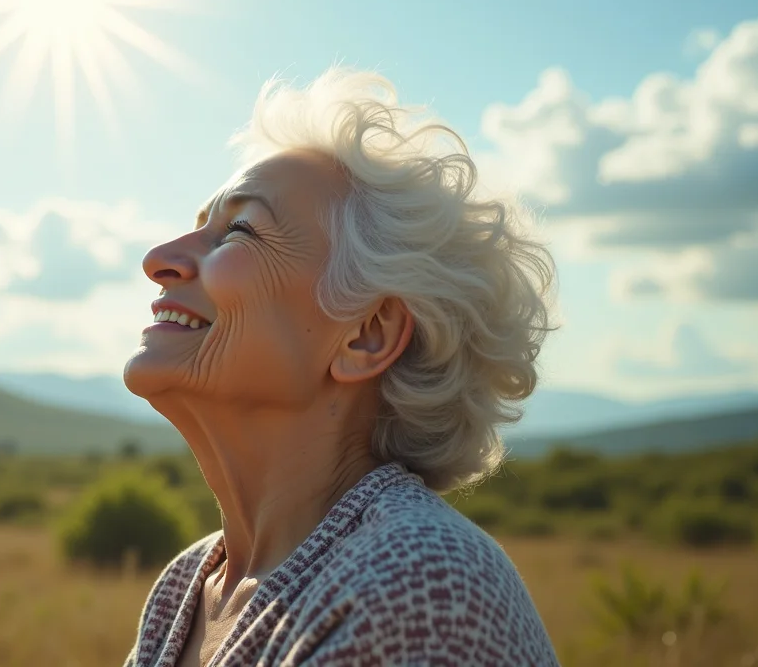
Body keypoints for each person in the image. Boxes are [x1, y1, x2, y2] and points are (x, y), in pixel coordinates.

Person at [121, 68, 560, 666]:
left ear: (367, 335)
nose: (159, 258)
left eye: (239, 231)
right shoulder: (187, 584)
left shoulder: (419, 585)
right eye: (199, 227)